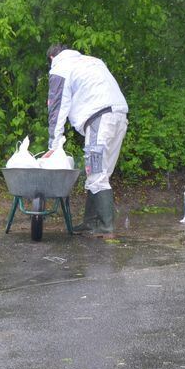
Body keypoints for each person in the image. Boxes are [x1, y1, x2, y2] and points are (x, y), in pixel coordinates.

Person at [45, 44, 129, 237]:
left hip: (99, 119)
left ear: (51, 58)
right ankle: (91, 222)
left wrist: (54, 145)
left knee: (96, 172)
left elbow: (57, 109)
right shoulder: (92, 61)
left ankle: (106, 227)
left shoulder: (60, 68)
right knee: (101, 173)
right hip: (119, 117)